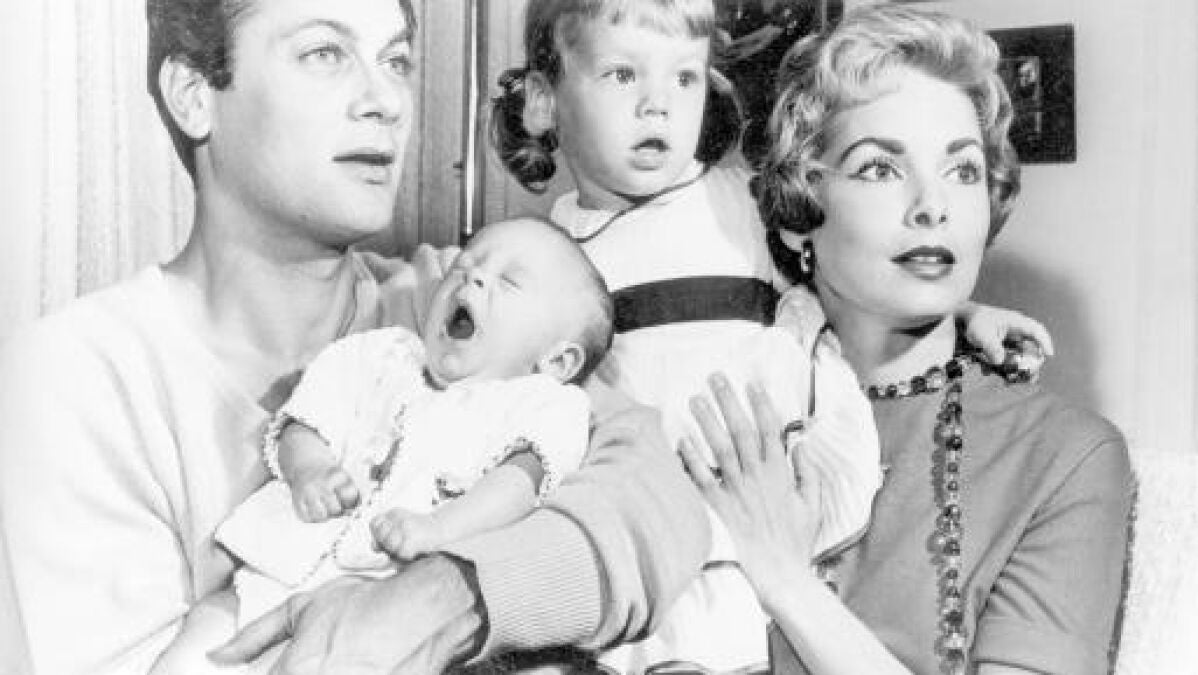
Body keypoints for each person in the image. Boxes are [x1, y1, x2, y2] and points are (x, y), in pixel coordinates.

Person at [0, 1, 711, 673]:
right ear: (194, 95)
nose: (387, 101)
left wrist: (443, 599)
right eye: (324, 53)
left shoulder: (453, 299)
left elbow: (655, 502)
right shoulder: (76, 378)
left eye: (396, 61)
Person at [489, 1, 1052, 672]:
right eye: (622, 75)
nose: (656, 106)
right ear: (543, 104)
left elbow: (854, 270)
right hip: (641, 505)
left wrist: (967, 315)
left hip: (763, 477)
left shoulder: (736, 204)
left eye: (684, 78)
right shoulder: (543, 252)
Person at [679, 5, 1134, 674]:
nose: (933, 205)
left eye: (963, 170)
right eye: (880, 168)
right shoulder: (722, 387)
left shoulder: (1063, 457)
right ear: (800, 210)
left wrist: (787, 581)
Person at [217, 216, 612, 631]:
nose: (473, 277)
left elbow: (518, 485)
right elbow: (305, 419)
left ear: (558, 361)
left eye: (510, 282)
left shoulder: (544, 404)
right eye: (463, 265)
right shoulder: (382, 354)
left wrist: (438, 528)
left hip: (388, 598)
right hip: (281, 569)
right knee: (209, 626)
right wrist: (309, 468)